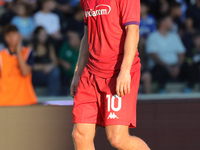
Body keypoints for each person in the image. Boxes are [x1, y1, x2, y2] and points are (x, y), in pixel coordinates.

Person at [71, 0, 150, 150]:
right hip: (91, 73)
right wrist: (77, 73)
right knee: (79, 134)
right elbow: (87, 37)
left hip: (117, 73)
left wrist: (125, 71)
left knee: (117, 139)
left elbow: (133, 31)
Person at [146, 14, 186, 93]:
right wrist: (167, 67)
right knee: (159, 70)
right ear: (163, 23)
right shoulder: (152, 37)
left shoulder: (174, 36)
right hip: (160, 66)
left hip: (175, 66)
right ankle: (162, 90)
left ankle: (189, 89)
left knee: (189, 66)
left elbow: (181, 53)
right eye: (170, 21)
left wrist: (177, 66)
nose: (173, 23)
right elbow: (154, 56)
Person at [0, 25, 37, 106]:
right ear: (5, 38)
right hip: (5, 102)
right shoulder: (1, 56)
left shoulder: (28, 52)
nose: (12, 37)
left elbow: (25, 72)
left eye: (14, 34)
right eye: (9, 35)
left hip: (26, 100)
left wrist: (18, 51)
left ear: (19, 35)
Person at [30, 26, 61, 96]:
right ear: (36, 35)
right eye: (41, 35)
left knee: (55, 71)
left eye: (45, 35)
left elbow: (55, 61)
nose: (44, 37)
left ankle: (53, 97)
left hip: (48, 73)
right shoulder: (31, 47)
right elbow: (28, 65)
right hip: (35, 75)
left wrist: (50, 67)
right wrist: (43, 67)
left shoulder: (49, 47)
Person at [59, 30, 80, 95]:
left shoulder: (83, 48)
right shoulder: (66, 45)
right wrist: (64, 62)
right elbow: (59, 59)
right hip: (67, 73)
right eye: (70, 38)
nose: (70, 40)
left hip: (79, 75)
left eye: (73, 38)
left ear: (79, 39)